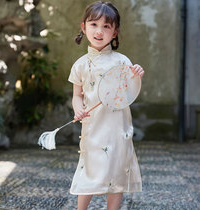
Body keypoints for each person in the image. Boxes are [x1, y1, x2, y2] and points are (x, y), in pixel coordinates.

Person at [68, 1, 144, 209]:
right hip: (93, 126)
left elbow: (129, 90)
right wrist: (78, 108)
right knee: (90, 169)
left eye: (107, 26)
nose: (99, 31)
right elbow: (77, 95)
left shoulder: (122, 62)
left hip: (117, 127)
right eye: (94, 25)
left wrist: (136, 74)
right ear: (83, 27)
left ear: (115, 32)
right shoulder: (80, 64)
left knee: (117, 172)